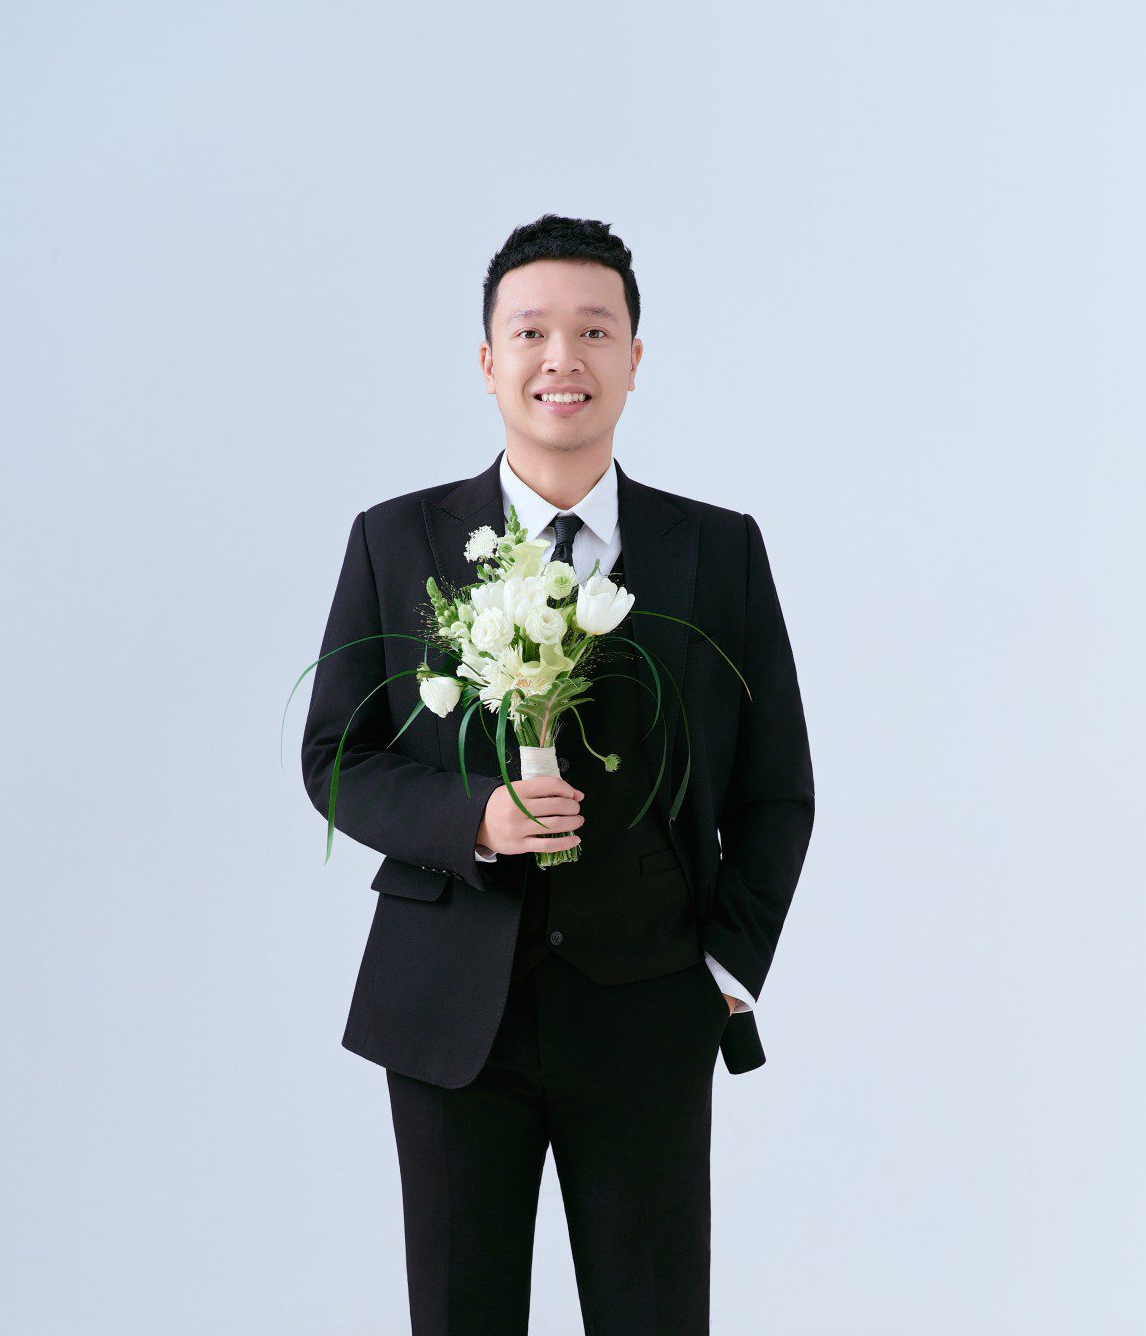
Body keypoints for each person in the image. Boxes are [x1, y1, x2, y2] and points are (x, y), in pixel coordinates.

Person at [301, 213, 815, 1335]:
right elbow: (336, 757)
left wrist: (726, 965)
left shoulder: (719, 549)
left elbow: (777, 786)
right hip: (447, 1011)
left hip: (649, 1008)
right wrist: (474, 816)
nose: (561, 357)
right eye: (531, 331)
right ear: (488, 360)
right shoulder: (395, 539)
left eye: (594, 330)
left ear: (634, 358)